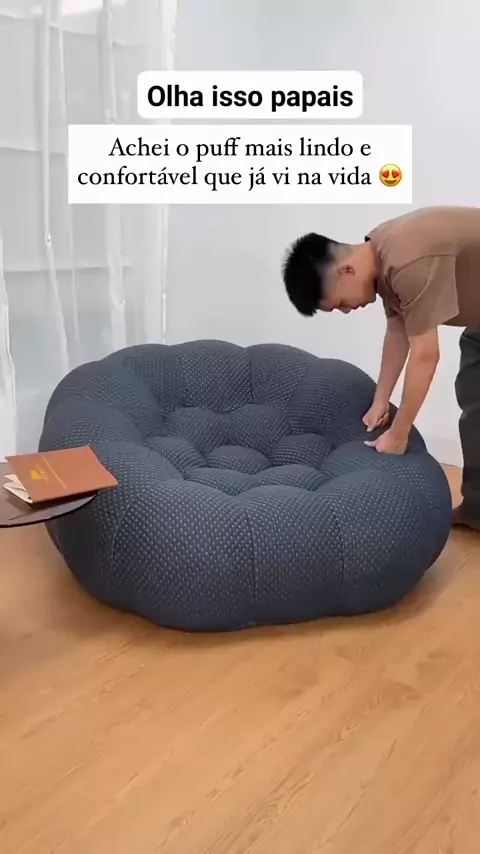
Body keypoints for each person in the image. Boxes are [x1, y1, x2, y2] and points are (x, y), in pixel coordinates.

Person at [281, 206, 480, 530]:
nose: (347, 311)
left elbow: (426, 355)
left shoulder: (407, 259)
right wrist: (380, 400)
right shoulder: (382, 251)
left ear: (346, 270)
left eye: (340, 304)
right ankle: (477, 511)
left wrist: (399, 433)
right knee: (474, 399)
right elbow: (398, 333)